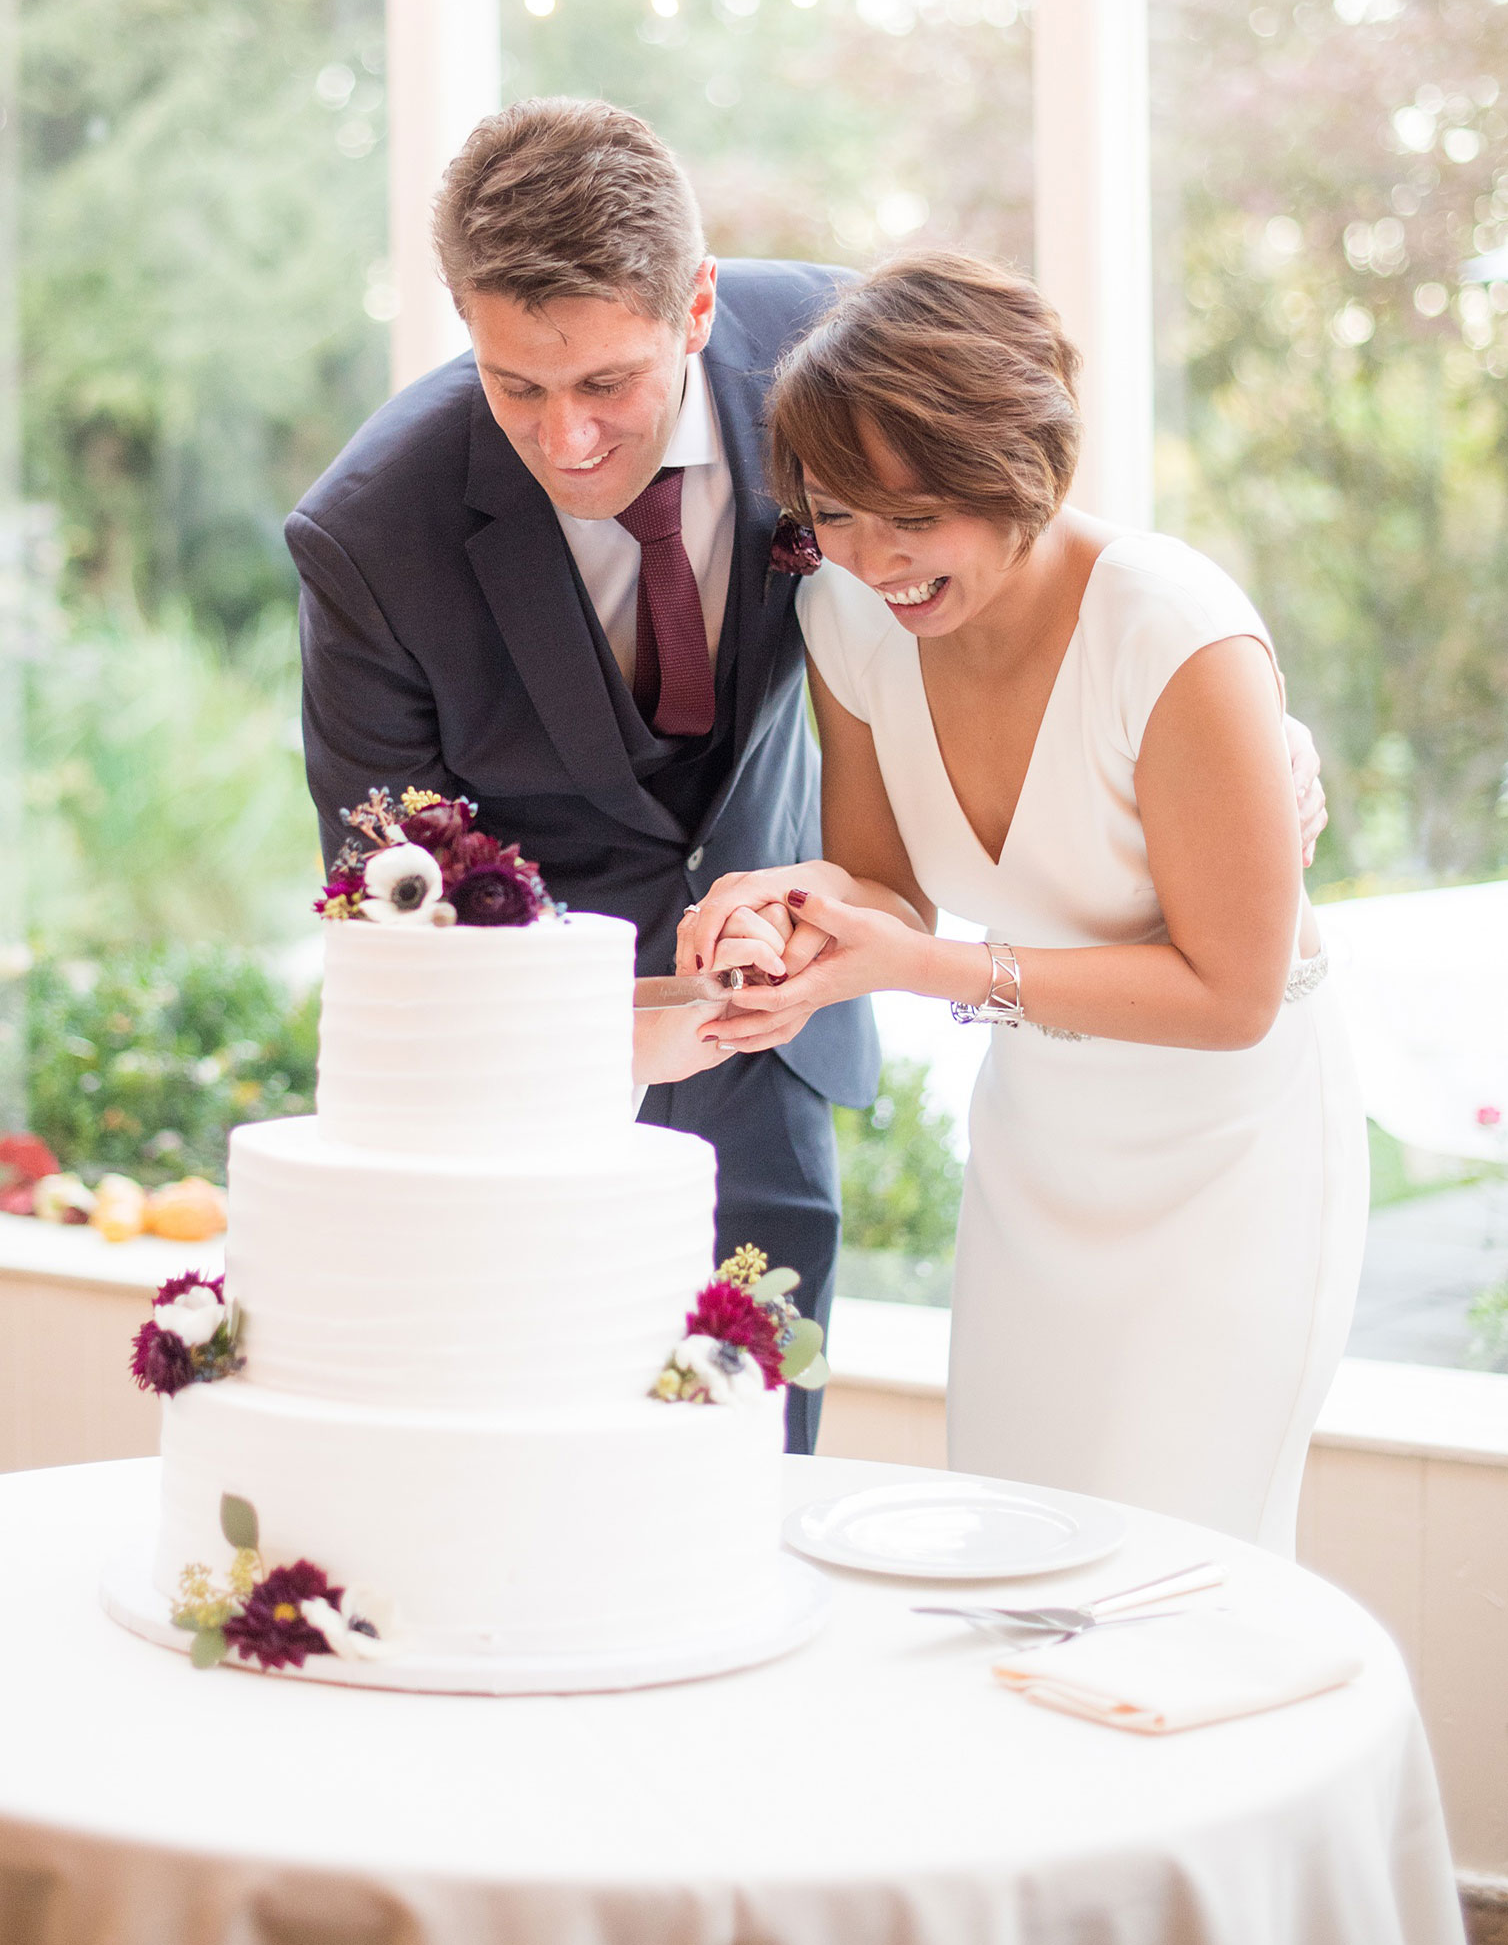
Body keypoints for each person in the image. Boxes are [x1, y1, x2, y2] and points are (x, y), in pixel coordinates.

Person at [684, 249, 1367, 1550]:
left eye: (913, 513)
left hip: (1230, 1159)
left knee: (1175, 1574)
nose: (872, 556)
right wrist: (785, 907)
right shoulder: (851, 616)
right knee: (1013, 1557)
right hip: (1040, 1155)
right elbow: (879, 877)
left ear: (1021, 472)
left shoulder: (1173, 634)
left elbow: (1231, 996)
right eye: (832, 512)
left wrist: (927, 970)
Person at [285, 98, 879, 1450]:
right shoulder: (374, 537)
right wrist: (593, 1035)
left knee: (761, 1477)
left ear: (701, 304)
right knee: (543, 1476)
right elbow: (392, 897)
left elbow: (1008, 537)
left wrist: (1204, 697)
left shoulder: (833, 357)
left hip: (768, 1038)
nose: (566, 441)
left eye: (607, 381)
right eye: (517, 386)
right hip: (520, 1093)